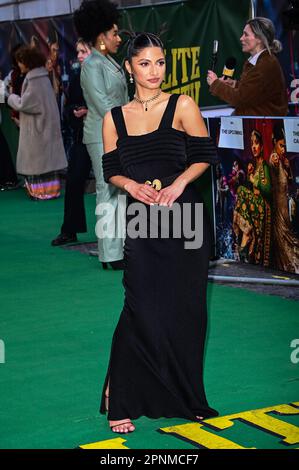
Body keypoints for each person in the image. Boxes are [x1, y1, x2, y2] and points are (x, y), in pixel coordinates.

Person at [99, 32, 219, 434]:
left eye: (160, 62)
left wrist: (180, 184)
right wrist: (131, 187)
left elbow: (204, 155)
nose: (154, 72)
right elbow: (110, 168)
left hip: (185, 221)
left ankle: (187, 397)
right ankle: (120, 395)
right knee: (140, 307)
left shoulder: (183, 105)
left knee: (187, 310)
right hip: (143, 222)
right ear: (130, 68)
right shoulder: (113, 118)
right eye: (145, 63)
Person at [74, 0, 128, 269]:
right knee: (107, 189)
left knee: (119, 191)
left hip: (116, 133)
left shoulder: (107, 61)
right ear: (101, 36)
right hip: (101, 135)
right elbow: (102, 104)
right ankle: (109, 254)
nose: (118, 38)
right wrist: (130, 125)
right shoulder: (93, 65)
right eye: (114, 33)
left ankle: (118, 250)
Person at [7, 46, 67, 200]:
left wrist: (10, 97)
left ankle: (41, 193)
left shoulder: (34, 80)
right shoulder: (42, 77)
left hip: (38, 130)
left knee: (38, 165)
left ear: (27, 62)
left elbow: (26, 104)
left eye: (20, 61)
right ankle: (51, 191)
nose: (19, 64)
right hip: (45, 127)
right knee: (47, 165)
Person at [51, 39, 92, 246]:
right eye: (78, 52)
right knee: (74, 181)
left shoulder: (108, 74)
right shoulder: (77, 77)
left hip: (106, 139)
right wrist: (76, 112)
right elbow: (68, 108)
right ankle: (69, 230)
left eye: (84, 51)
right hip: (82, 137)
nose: (80, 56)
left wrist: (89, 111)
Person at [207, 17, 288, 116]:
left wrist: (216, 84)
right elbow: (255, 93)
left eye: (246, 34)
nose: (241, 38)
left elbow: (241, 99)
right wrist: (235, 84)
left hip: (262, 127)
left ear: (259, 39)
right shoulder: (261, 61)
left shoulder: (265, 64)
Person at [233, 129, 271, 265]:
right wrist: (250, 176)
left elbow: (267, 190)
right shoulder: (255, 167)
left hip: (262, 207)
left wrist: (252, 180)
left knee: (242, 190)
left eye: (256, 143)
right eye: (252, 144)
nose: (254, 147)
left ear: (261, 146)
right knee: (241, 190)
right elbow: (253, 188)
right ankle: (246, 235)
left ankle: (246, 236)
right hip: (255, 206)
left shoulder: (264, 166)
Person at [269, 126, 299, 273]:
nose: (284, 149)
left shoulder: (282, 161)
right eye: (281, 145)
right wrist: (277, 161)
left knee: (290, 236)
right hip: (279, 208)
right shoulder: (274, 159)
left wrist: (289, 168)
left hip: (285, 207)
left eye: (285, 146)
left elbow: (291, 183)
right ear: (274, 142)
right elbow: (272, 167)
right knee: (285, 239)